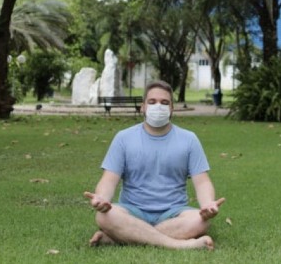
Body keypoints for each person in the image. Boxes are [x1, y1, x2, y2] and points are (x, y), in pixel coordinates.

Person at [84, 80, 225, 250]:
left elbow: (202, 181)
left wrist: (208, 204)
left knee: (200, 221)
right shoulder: (123, 138)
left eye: (164, 103)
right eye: (152, 102)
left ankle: (121, 237)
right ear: (143, 107)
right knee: (104, 217)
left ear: (172, 108)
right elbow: (108, 179)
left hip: (173, 212)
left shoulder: (189, 140)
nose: (158, 106)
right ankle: (179, 245)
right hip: (132, 210)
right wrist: (102, 198)